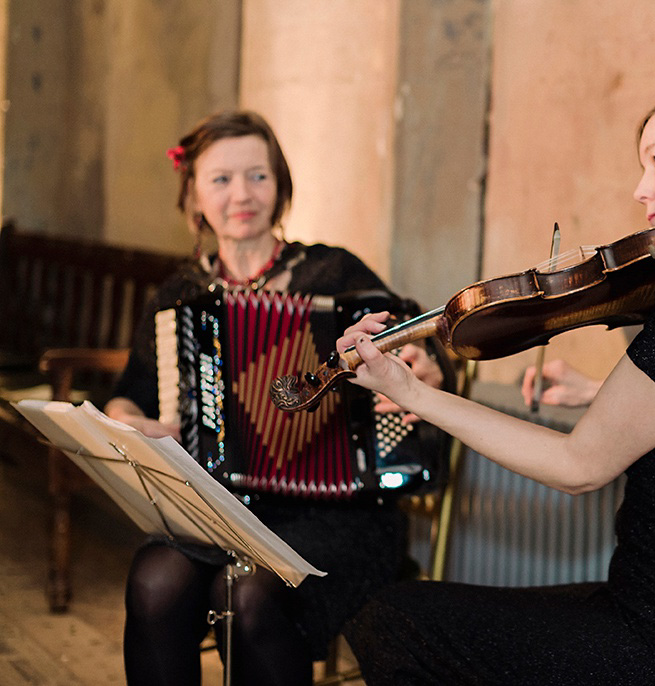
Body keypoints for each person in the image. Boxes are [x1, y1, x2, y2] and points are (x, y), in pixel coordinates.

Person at [335, 80, 655, 684]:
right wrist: (597, 392)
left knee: (391, 618)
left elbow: (579, 466)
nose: (640, 188)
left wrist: (416, 393)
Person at [105, 110, 444, 686]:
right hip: (217, 512)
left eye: (258, 176)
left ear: (280, 185)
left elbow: (415, 345)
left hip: (338, 513)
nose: (242, 194)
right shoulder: (179, 297)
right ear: (194, 198)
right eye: (221, 179)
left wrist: (423, 369)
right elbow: (126, 398)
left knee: (248, 592)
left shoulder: (333, 272)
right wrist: (135, 426)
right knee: (154, 580)